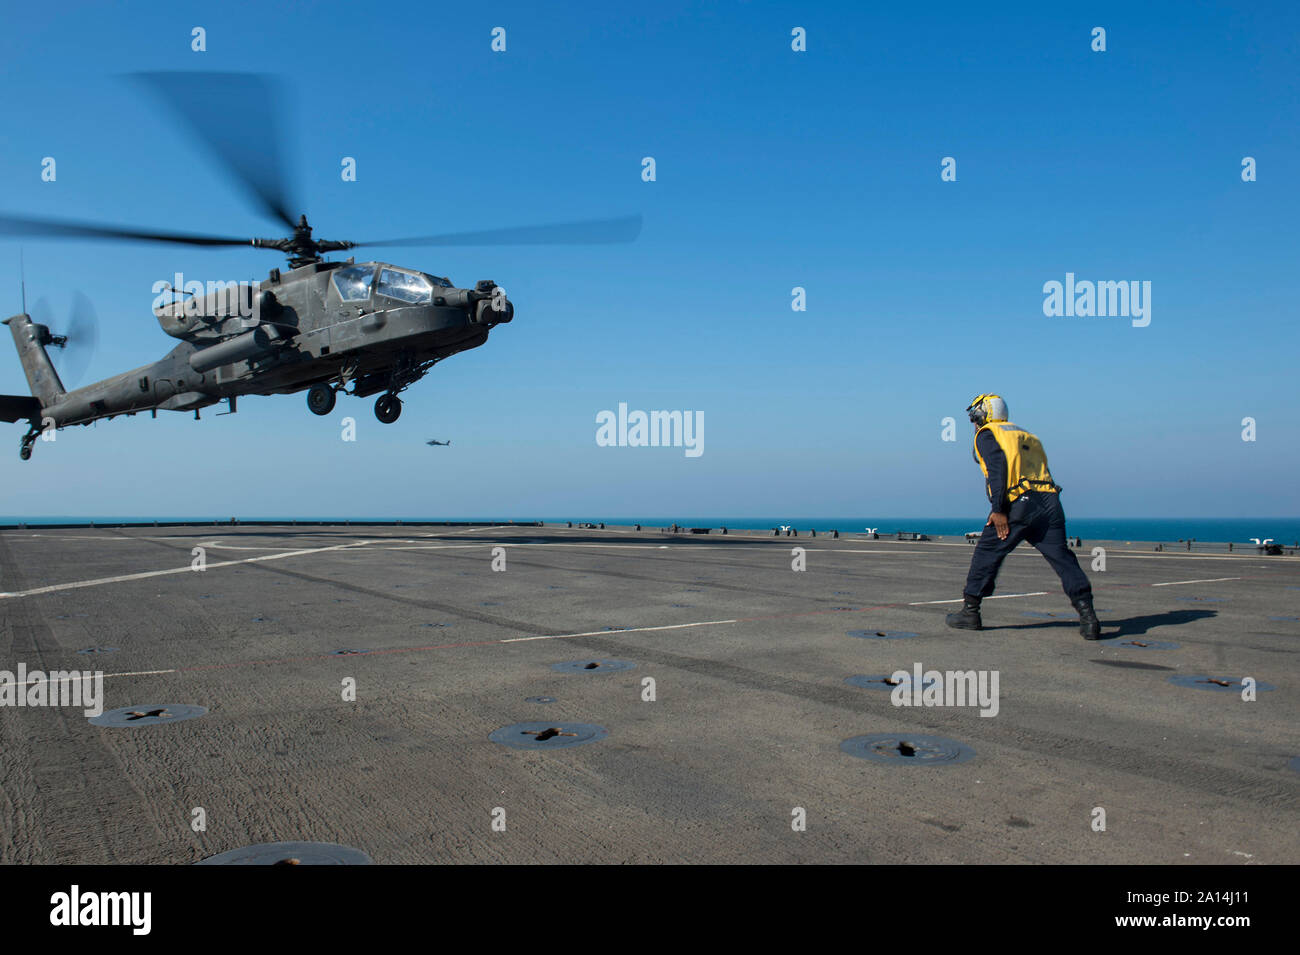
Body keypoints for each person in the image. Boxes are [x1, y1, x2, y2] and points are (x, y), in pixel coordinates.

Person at [946, 394, 1101, 639]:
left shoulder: (988, 434)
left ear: (982, 414)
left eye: (974, 416)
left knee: (987, 553)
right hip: (1049, 502)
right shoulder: (1028, 436)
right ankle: (1088, 616)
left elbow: (998, 471)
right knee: (1063, 558)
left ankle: (970, 611)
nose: (972, 422)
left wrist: (998, 510)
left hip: (1019, 504)